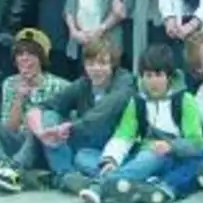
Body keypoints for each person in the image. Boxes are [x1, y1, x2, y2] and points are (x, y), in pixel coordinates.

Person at [78, 43, 203, 203]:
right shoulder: (137, 102)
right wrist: (110, 160)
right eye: (148, 75)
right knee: (84, 156)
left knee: (154, 158)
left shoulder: (185, 100)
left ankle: (100, 187)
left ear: (169, 76)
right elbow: (124, 136)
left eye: (158, 75)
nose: (153, 81)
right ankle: (133, 182)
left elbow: (197, 143)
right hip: (139, 155)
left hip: (170, 157)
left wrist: (171, 146)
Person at [0, 31, 70, 194]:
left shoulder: (62, 86)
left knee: (37, 124)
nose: (24, 59)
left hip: (43, 146)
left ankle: (14, 170)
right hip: (16, 141)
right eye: (20, 54)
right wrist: (19, 97)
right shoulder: (10, 83)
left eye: (31, 54)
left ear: (41, 58)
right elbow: (9, 128)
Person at [37, 39, 135, 191]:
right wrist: (42, 131)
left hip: (116, 147)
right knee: (49, 116)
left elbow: (103, 113)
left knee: (82, 159)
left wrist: (70, 127)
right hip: (88, 147)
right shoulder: (83, 84)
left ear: (113, 65)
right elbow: (45, 106)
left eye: (102, 64)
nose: (96, 69)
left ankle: (116, 179)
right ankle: (68, 175)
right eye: (90, 64)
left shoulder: (124, 81)